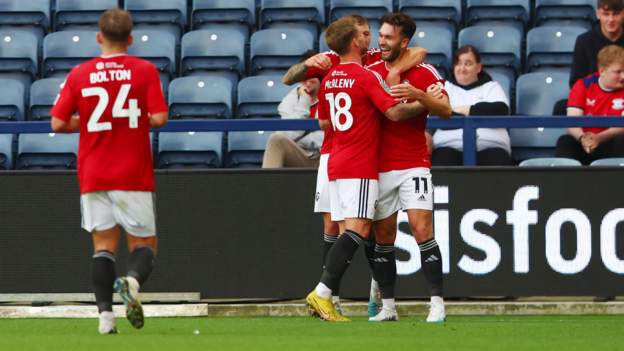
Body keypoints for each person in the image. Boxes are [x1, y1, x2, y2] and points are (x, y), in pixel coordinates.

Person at [283, 15, 427, 313]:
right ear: (353, 40)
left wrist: (395, 71)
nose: (371, 39)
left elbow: (324, 120)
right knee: (354, 227)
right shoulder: (357, 72)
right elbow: (394, 114)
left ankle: (333, 297)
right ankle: (324, 294)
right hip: (355, 160)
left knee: (351, 226)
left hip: (337, 156)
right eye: (364, 34)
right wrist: (425, 101)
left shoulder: (343, 72)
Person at [50, 8, 168, 334]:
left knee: (102, 245)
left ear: (99, 37)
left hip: (93, 170)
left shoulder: (80, 73)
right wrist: (129, 120)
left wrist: (89, 122)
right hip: (131, 170)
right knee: (144, 243)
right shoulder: (143, 71)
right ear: (130, 39)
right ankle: (131, 282)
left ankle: (105, 319)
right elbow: (159, 118)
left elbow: (58, 122)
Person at [365, 13, 452, 322]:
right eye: (381, 35)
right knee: (384, 237)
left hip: (413, 162)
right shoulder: (371, 70)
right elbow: (389, 114)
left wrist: (419, 96)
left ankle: (437, 304)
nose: (382, 41)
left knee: (422, 229)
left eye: (389, 37)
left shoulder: (425, 73)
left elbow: (446, 110)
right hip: (378, 166)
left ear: (404, 42)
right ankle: (388, 307)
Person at [430, 45, 513, 166]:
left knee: (498, 162)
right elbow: (438, 114)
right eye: (458, 64)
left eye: (468, 64)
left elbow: (500, 110)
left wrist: (466, 109)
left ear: (479, 67)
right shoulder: (444, 88)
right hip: (448, 147)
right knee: (440, 162)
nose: (462, 68)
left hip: (492, 147)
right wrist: (480, 112)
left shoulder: (491, 87)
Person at [556, 45, 624, 164]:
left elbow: (622, 125)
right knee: (565, 141)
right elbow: (572, 121)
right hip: (585, 142)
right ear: (602, 71)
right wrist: (583, 138)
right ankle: (565, 181)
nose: (623, 76)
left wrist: (599, 138)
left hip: (612, 140)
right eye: (618, 72)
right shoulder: (583, 85)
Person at [262, 51, 323, 168]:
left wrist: (301, 140)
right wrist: (303, 103)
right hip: (301, 156)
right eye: (304, 75)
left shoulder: (332, 95)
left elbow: (327, 138)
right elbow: (288, 135)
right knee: (276, 140)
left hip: (326, 157)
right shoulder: (290, 100)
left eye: (312, 74)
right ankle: (266, 185)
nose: (307, 79)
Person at [569, 0, 624, 87]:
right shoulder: (584, 41)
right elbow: (577, 83)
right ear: (598, 14)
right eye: (606, 14)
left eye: (616, 14)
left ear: (623, 14)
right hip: (594, 98)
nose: (611, 19)